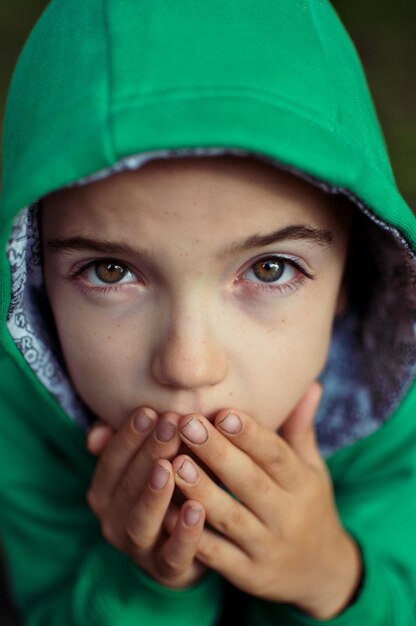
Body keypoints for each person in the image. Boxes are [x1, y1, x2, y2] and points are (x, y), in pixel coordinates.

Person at [0, 1, 415, 625]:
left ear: (358, 279)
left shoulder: (397, 425)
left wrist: (329, 576)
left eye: (270, 268)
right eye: (111, 270)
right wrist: (147, 586)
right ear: (33, 283)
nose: (189, 366)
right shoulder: (19, 423)